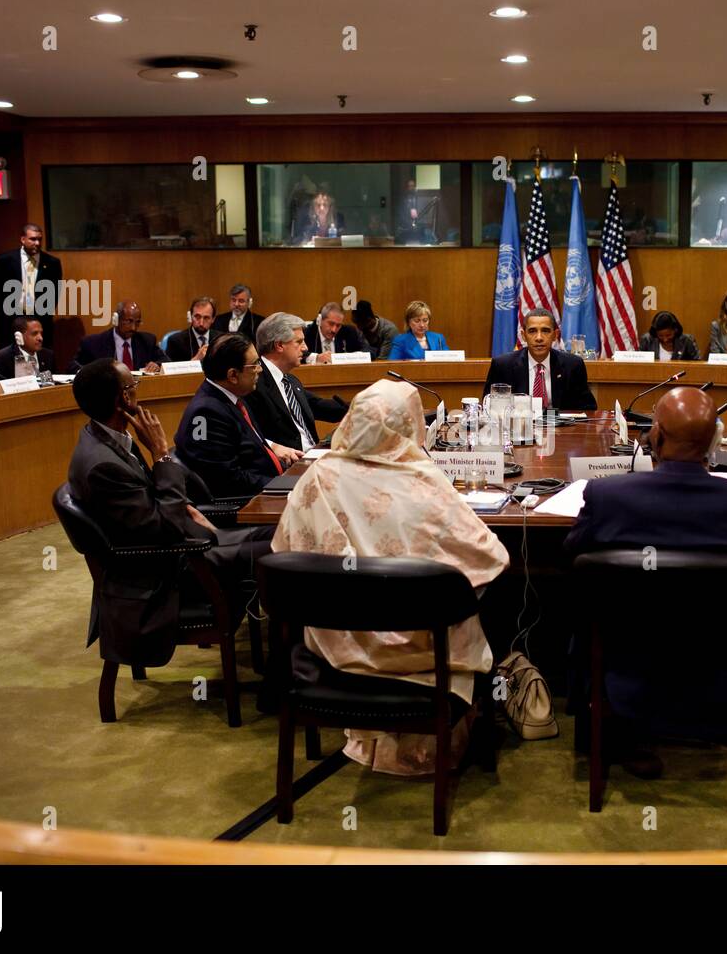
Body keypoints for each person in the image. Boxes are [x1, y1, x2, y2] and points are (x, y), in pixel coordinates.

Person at [270, 378, 509, 775]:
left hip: (335, 644)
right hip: (421, 650)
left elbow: (286, 556)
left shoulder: (316, 477)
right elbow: (490, 558)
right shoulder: (422, 482)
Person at [565, 386, 727, 775]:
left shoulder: (607, 495)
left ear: (655, 435)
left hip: (626, 655)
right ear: (715, 443)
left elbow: (573, 562)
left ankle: (607, 724)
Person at [66, 358, 273, 665]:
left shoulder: (109, 438)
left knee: (281, 531)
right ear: (123, 397)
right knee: (282, 548)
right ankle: (284, 669)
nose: (137, 391)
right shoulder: (102, 465)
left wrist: (187, 506)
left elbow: (153, 501)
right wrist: (162, 456)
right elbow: (164, 528)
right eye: (134, 385)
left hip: (180, 546)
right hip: (170, 568)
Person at [174, 334, 289, 499]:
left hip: (266, 487)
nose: (260, 369)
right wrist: (283, 486)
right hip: (247, 504)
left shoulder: (233, 397)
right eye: (255, 364)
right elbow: (228, 480)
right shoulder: (206, 413)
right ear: (233, 375)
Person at [245, 312, 348, 454]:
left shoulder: (290, 381)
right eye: (299, 342)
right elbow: (250, 434)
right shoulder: (253, 383)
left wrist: (358, 406)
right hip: (288, 466)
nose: (305, 348)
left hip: (314, 456)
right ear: (279, 345)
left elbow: (319, 406)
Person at [482, 308, 597, 411]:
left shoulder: (572, 365)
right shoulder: (503, 365)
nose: (539, 338)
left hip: (560, 430)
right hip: (517, 430)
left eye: (545, 331)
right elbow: (489, 408)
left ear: (555, 335)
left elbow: (588, 408)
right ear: (523, 335)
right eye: (532, 331)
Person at [0, 223, 62, 352]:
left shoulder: (52, 263)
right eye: (32, 239)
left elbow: (55, 293)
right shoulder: (5, 260)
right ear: (22, 239)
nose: (37, 243)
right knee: (10, 355)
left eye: (39, 239)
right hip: (11, 317)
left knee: (41, 356)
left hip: (40, 318)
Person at [70, 301, 166, 373]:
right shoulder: (93, 343)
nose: (134, 328)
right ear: (116, 319)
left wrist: (157, 365)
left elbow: (167, 361)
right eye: (129, 321)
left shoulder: (147, 341)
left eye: (137, 322)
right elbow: (72, 366)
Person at [0, 315, 54, 383]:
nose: (40, 338)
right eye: (34, 334)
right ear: (19, 336)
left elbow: (52, 384)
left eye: (41, 333)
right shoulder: (3, 358)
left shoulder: (47, 355)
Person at [304, 302, 370, 363]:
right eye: (331, 324)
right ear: (320, 320)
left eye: (338, 325)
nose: (334, 330)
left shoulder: (349, 332)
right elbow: (297, 355)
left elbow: (371, 351)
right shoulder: (307, 333)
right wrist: (316, 358)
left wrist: (351, 356)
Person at [166, 296, 220, 363]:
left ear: (213, 319)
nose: (201, 323)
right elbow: (171, 370)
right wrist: (196, 359)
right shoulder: (176, 341)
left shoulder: (220, 339)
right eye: (197, 317)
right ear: (191, 316)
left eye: (206, 318)